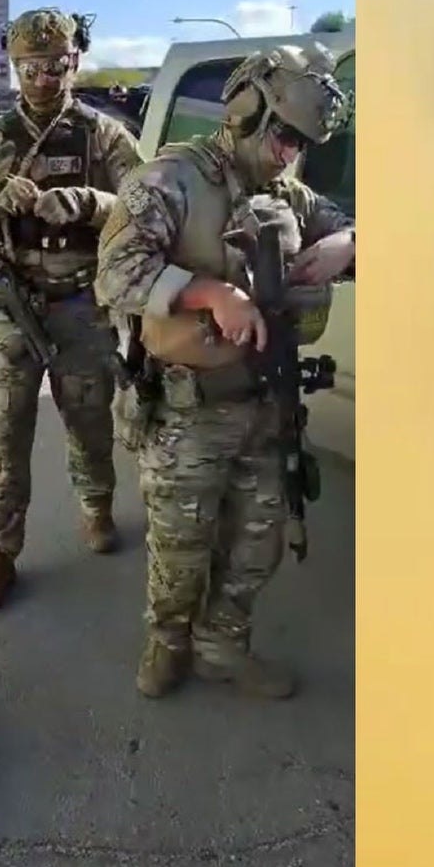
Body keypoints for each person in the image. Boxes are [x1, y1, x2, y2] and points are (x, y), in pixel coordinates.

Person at [94, 44, 353, 700]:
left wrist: (348, 243)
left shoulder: (287, 195)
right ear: (245, 110)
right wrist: (210, 293)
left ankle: (222, 646)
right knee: (180, 553)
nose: (290, 152)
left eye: (302, 143)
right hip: (187, 412)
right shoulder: (169, 180)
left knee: (255, 546)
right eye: (285, 135)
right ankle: (168, 642)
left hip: (265, 408)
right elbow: (115, 275)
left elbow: (354, 230)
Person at [0, 8, 143, 613]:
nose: (45, 77)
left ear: (76, 60)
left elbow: (148, 201)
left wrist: (92, 203)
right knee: (4, 433)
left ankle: (96, 506)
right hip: (15, 308)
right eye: (32, 66)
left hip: (82, 303)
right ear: (14, 67)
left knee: (90, 422)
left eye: (57, 64)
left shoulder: (103, 134)